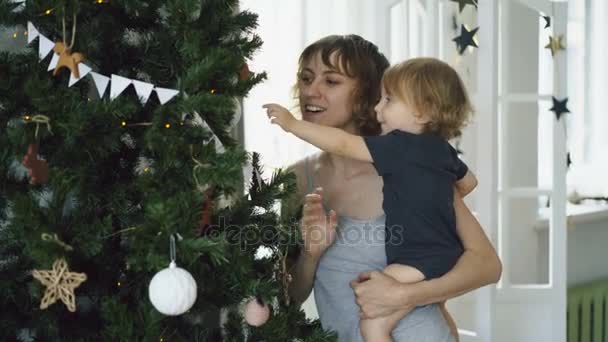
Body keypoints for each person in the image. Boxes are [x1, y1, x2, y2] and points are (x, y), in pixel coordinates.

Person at [277, 35, 501, 342]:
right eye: (305, 78)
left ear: (367, 95)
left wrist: (407, 295)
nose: (310, 91)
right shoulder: (296, 180)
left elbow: (487, 266)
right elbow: (288, 298)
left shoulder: (412, 170)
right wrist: (311, 255)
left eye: (331, 81)